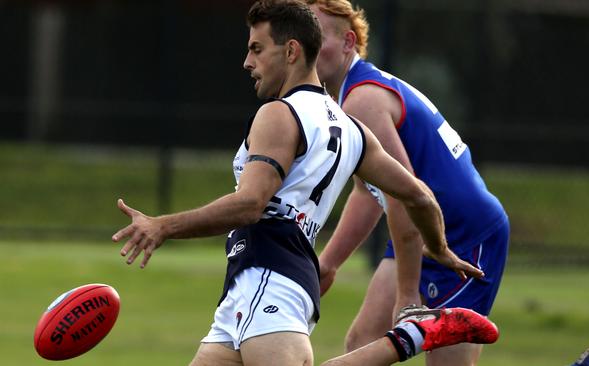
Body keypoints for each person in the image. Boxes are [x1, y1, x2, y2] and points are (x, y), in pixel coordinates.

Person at [111, 1, 498, 365]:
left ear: (292, 51)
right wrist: (438, 247)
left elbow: (250, 204)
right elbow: (418, 195)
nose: (247, 62)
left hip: (270, 277)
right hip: (253, 282)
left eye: (257, 49)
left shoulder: (279, 114)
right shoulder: (352, 129)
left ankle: (409, 339)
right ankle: (411, 337)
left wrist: (162, 226)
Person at [304, 1, 511, 365]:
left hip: (464, 235)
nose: (306, 47)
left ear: (349, 42)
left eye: (317, 37)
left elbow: (402, 195)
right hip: (426, 232)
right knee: (361, 344)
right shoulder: (348, 95)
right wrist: (329, 263)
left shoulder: (361, 100)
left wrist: (407, 295)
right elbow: (369, 192)